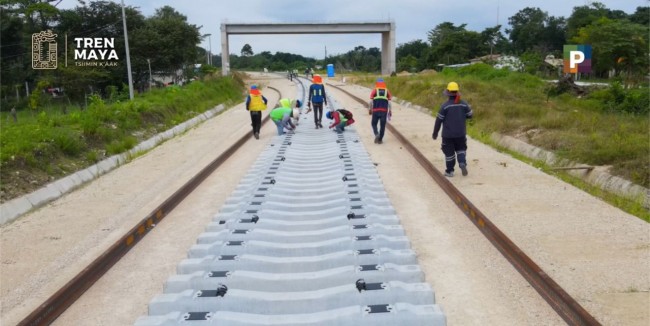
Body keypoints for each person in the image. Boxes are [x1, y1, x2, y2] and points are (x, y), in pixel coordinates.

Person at [432, 82, 473, 177]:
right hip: (461, 134)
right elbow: (470, 115)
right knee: (461, 149)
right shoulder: (463, 104)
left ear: (448, 93)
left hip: (448, 135)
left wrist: (435, 133)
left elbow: (438, 121)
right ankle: (462, 162)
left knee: (449, 153)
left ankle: (450, 171)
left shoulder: (445, 106)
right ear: (457, 92)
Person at [369, 78, 392, 144]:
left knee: (373, 123)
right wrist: (390, 111)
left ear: (377, 83)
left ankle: (376, 134)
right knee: (382, 126)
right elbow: (390, 103)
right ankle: (380, 140)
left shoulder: (374, 90)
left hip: (375, 111)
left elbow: (370, 102)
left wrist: (370, 109)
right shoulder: (387, 91)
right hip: (384, 111)